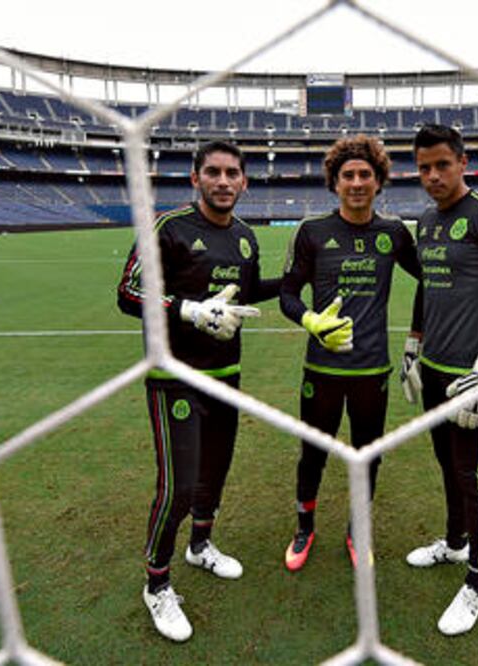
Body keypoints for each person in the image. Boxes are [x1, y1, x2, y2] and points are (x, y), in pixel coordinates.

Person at [116, 141, 280, 642]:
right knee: (179, 487)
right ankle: (157, 584)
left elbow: (247, 292)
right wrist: (189, 310)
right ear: (195, 178)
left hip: (226, 376)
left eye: (232, 173)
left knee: (214, 474)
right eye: (213, 172)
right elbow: (128, 292)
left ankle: (201, 545)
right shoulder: (167, 228)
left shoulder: (246, 237)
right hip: (176, 378)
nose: (223, 181)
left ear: (244, 181)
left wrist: (296, 281)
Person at [400, 124, 478, 636]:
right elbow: (426, 287)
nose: (432, 176)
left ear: (463, 163)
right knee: (447, 466)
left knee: (475, 476)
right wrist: (413, 345)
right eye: (424, 168)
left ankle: (477, 582)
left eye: (442, 165)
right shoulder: (426, 221)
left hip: (471, 376)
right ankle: (454, 543)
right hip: (433, 370)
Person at [279, 134, 421, 572]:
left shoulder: (394, 233)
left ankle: (357, 530)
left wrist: (416, 337)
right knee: (313, 453)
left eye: (365, 175)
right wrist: (309, 320)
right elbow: (287, 293)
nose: (357, 183)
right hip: (321, 368)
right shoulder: (312, 231)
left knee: (367, 454)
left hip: (371, 370)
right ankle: (304, 527)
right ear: (335, 182)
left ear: (378, 181)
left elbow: (432, 279)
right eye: (348, 175)